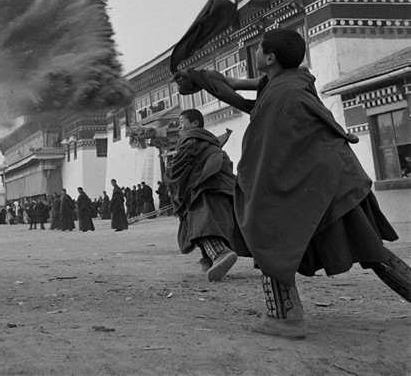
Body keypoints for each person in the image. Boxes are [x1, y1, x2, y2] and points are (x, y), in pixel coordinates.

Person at [176, 28, 411, 339]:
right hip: (339, 178)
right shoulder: (293, 81)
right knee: (372, 249)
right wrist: (205, 79)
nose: (255, 52)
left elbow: (264, 151)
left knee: (266, 229)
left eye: (259, 48)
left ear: (270, 58)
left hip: (318, 182)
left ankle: (284, 316)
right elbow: (238, 89)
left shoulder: (280, 96)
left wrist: (251, 192)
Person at [165, 109, 238, 281]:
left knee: (201, 222)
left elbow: (178, 168)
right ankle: (208, 260)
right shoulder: (210, 142)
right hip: (220, 185)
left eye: (182, 122)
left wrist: (170, 178)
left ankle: (219, 254)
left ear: (195, 124)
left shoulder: (191, 138)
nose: (179, 127)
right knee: (215, 221)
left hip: (204, 187)